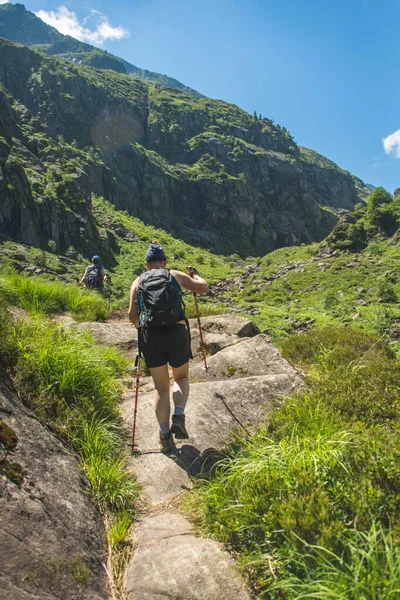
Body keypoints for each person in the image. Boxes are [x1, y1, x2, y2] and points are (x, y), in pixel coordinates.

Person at [128, 241, 209, 452]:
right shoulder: (173, 274)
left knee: (160, 388)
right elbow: (203, 288)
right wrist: (195, 276)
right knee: (180, 378)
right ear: (164, 262)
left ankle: (165, 436)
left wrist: (144, 327)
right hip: (176, 332)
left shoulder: (137, 282)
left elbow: (132, 316)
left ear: (147, 264)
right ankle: (179, 415)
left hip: (151, 337)